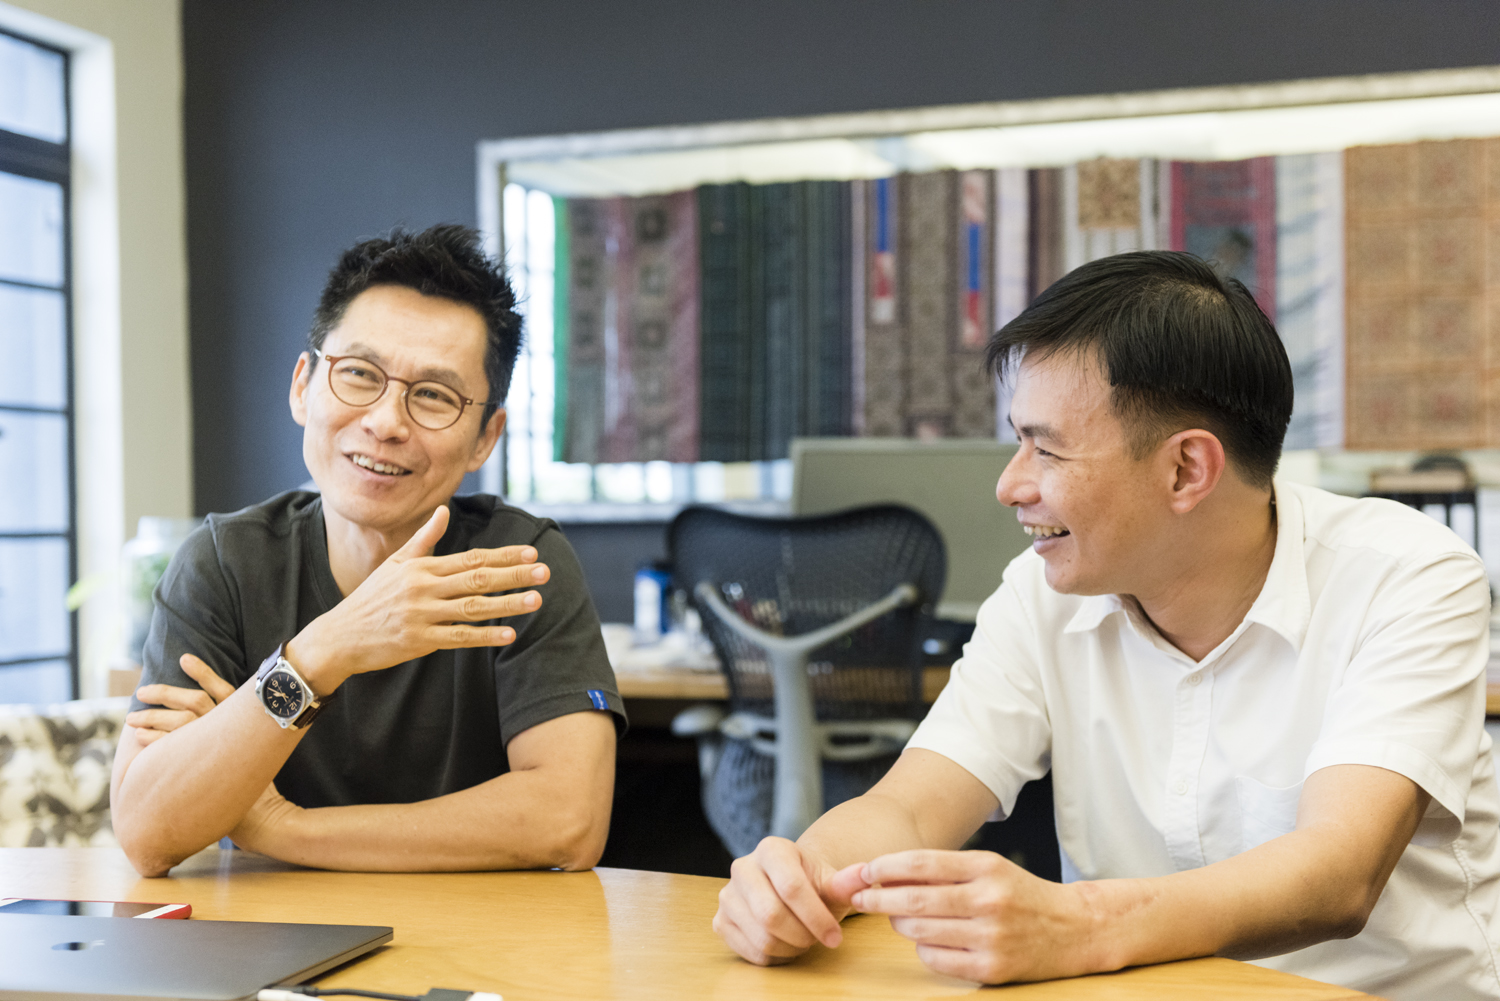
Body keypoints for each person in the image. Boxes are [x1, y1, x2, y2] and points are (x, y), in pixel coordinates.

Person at [713, 251, 1500, 998]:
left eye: (1045, 449)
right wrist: (800, 878)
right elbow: (913, 807)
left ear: (1186, 468)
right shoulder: (1041, 593)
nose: (1009, 485)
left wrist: (1074, 921)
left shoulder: (1407, 576)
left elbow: (1336, 874)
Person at [110, 224, 623, 877]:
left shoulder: (518, 564)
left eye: (434, 395)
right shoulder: (224, 563)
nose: (385, 422)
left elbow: (566, 822)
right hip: (268, 946)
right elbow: (149, 833)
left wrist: (279, 825)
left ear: (484, 438)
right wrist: (323, 651)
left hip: (483, 943)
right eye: (358, 375)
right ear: (303, 385)